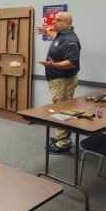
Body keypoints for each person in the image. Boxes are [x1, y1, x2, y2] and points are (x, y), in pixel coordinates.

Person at [37, 11, 81, 153]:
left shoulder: (71, 40)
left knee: (62, 111)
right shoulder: (62, 35)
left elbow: (72, 62)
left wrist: (52, 65)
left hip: (63, 81)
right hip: (57, 80)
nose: (54, 22)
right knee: (60, 109)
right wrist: (46, 32)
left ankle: (63, 143)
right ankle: (61, 137)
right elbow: (55, 37)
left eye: (58, 20)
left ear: (67, 24)